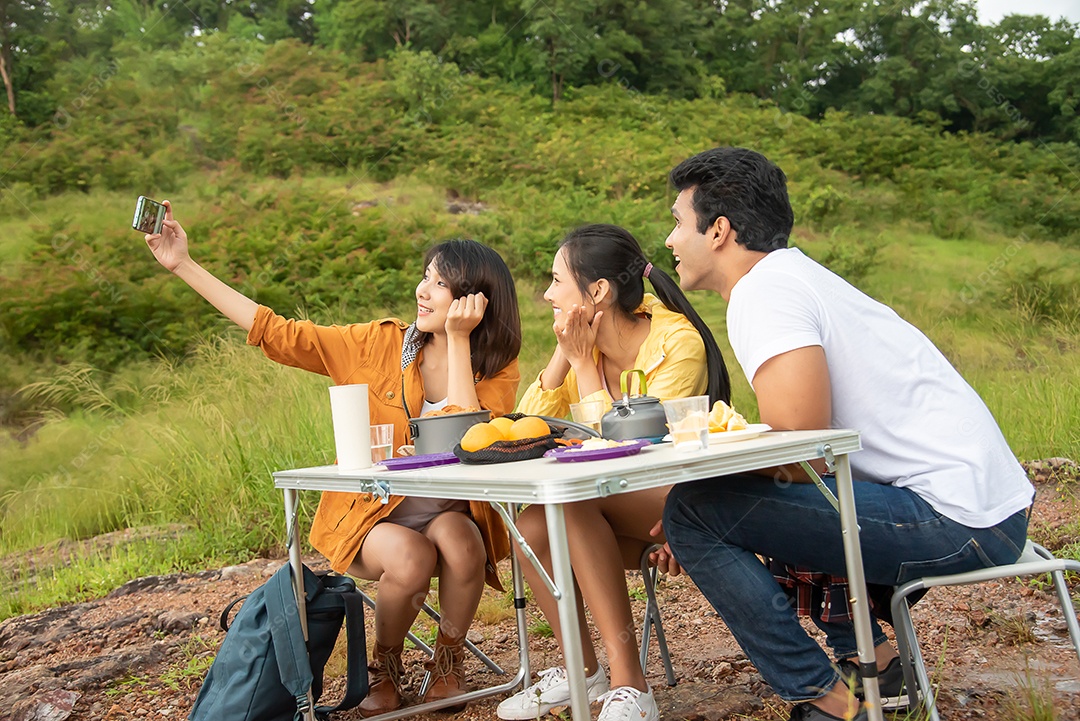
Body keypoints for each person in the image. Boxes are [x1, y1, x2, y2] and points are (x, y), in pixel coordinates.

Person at [654, 148, 1035, 721]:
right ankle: (874, 663)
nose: (669, 241)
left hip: (957, 521)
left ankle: (829, 702)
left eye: (679, 223)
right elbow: (813, 452)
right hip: (987, 509)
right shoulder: (794, 277)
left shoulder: (765, 292)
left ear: (720, 231)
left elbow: (801, 444)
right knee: (731, 503)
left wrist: (711, 493)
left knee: (693, 512)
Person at [143, 200, 522, 716]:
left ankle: (447, 663)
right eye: (424, 278)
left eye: (437, 283)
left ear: (473, 300)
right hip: (371, 520)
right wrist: (183, 264)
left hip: (448, 513)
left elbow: (473, 441)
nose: (421, 291)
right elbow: (276, 333)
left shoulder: (495, 365)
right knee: (412, 556)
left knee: (463, 538)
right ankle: (383, 668)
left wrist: (457, 340)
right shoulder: (374, 345)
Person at [497, 224, 733, 721]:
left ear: (597, 291)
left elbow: (638, 456)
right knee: (534, 524)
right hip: (611, 512)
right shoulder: (588, 344)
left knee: (571, 500)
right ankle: (582, 671)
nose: (546, 293)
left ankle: (630, 684)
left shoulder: (676, 343)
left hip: (677, 506)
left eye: (556, 280)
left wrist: (584, 366)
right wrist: (565, 354)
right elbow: (524, 425)